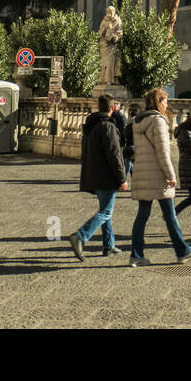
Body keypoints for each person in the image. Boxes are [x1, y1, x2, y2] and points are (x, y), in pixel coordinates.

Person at [128, 88, 191, 266]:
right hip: (158, 175)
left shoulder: (139, 121)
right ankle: (182, 251)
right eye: (165, 100)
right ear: (159, 102)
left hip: (143, 173)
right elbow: (162, 152)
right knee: (170, 214)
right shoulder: (158, 121)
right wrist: (170, 174)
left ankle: (136, 255)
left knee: (143, 216)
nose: (167, 104)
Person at [68, 94, 128, 260]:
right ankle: (80, 236)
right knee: (106, 211)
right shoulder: (107, 127)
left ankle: (109, 245)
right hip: (106, 175)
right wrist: (122, 178)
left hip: (94, 173)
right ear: (112, 108)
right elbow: (115, 154)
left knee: (105, 210)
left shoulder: (90, 125)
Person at [109, 99, 132, 179]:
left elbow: (123, 130)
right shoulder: (116, 116)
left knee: (123, 159)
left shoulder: (119, 116)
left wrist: (123, 140)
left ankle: (124, 175)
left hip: (119, 140)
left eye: (115, 105)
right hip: (118, 140)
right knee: (124, 159)